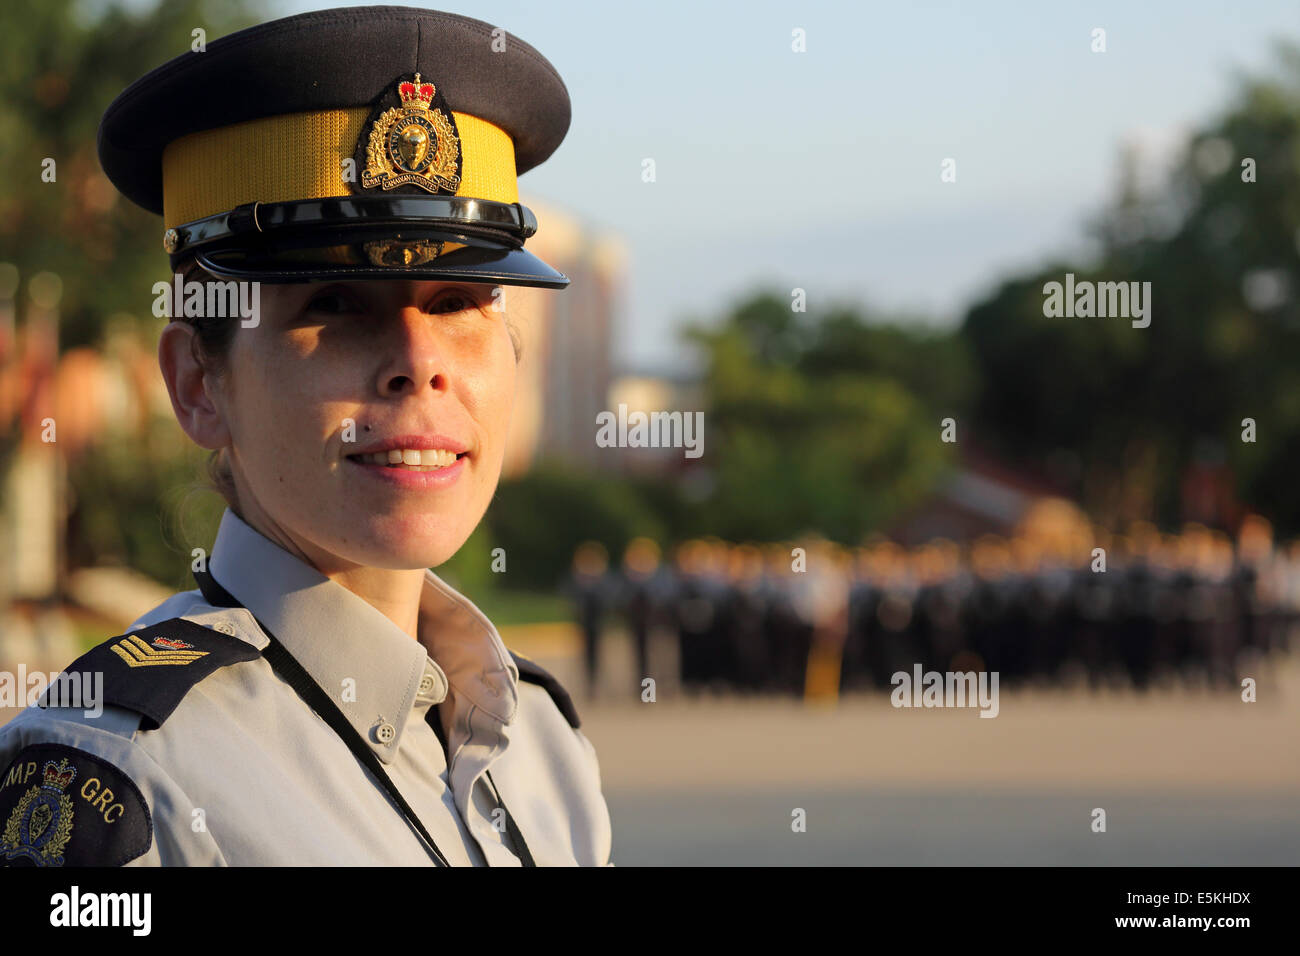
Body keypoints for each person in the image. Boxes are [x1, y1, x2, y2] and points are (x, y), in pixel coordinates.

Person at [0, 6, 613, 867]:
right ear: (197, 384)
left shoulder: (538, 738)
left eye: (457, 304)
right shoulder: (122, 779)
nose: (418, 363)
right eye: (334, 306)